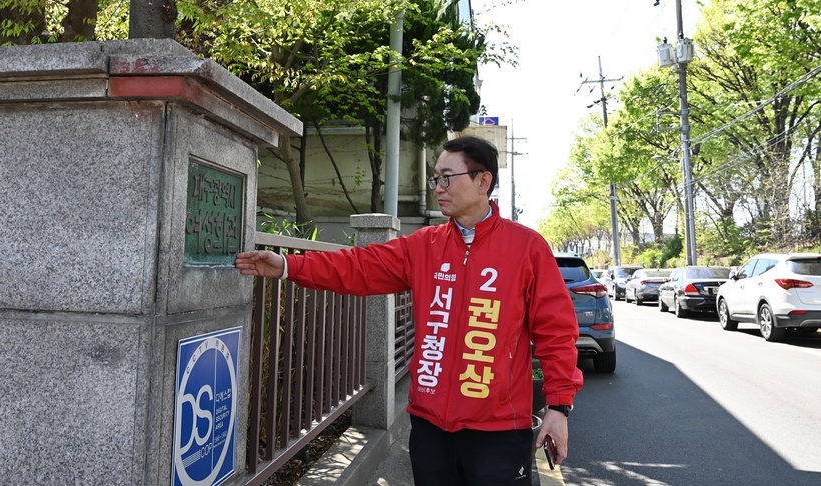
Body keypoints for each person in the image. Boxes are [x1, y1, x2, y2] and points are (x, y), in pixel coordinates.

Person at [236, 135, 582, 485]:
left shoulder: (526, 248)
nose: (438, 187)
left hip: (499, 431)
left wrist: (558, 407)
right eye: (436, 178)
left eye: (447, 177)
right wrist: (288, 266)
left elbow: (556, 331)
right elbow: (359, 266)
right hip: (430, 428)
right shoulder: (425, 245)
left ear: (483, 181)